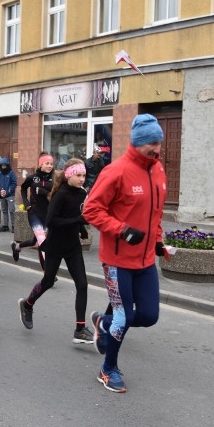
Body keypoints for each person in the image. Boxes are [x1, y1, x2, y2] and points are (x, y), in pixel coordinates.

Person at [82, 114, 167, 393]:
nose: (157, 149)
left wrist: (157, 240)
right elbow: (90, 209)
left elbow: (154, 213)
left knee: (149, 315)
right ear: (139, 142)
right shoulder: (116, 171)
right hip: (118, 259)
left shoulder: (158, 170)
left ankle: (101, 322)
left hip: (145, 260)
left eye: (159, 142)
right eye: (152, 143)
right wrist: (121, 230)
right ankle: (108, 369)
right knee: (123, 317)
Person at [18, 158, 93, 343]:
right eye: (78, 175)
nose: (82, 179)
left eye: (83, 175)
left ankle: (80, 329)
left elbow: (76, 215)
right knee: (48, 281)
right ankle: (27, 305)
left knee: (82, 284)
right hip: (56, 245)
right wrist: (78, 222)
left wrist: (82, 229)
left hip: (72, 246)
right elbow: (52, 222)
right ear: (69, 175)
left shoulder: (81, 193)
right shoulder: (60, 194)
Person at [11, 153, 53, 266]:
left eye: (51, 164)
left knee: (36, 242)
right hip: (34, 213)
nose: (50, 166)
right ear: (41, 164)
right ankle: (47, 272)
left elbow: (56, 195)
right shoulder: (32, 178)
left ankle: (17, 246)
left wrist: (45, 193)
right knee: (42, 240)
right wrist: (26, 204)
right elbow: (23, 189)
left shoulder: (54, 179)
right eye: (47, 163)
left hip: (48, 214)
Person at [0, 157, 17, 232]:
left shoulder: (11, 173)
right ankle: (5, 225)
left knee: (11, 210)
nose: (3, 167)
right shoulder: (0, 174)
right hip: (2, 195)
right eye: (2, 166)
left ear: (7, 166)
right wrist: (0, 192)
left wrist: (7, 191)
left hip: (10, 195)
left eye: (5, 165)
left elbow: (14, 183)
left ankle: (14, 225)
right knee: (4, 211)